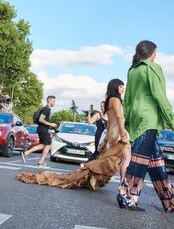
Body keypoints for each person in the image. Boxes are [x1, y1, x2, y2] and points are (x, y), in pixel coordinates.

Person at [16, 79, 131, 193]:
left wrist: (106, 139)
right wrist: (122, 133)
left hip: (113, 135)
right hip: (118, 134)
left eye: (123, 86)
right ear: (114, 87)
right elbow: (119, 118)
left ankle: (120, 185)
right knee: (124, 159)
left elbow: (110, 122)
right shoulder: (115, 100)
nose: (123, 88)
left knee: (118, 160)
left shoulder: (110, 100)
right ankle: (123, 187)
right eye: (120, 86)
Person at [119, 40, 174, 212]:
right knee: (139, 162)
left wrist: (126, 122)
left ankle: (169, 201)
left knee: (157, 164)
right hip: (148, 120)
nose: (156, 55)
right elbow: (160, 96)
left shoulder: (133, 70)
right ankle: (127, 197)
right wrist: (172, 120)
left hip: (136, 121)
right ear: (151, 53)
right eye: (155, 52)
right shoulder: (152, 68)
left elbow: (127, 99)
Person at [21, 95, 57, 166]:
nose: (54, 103)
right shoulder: (46, 109)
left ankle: (27, 153)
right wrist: (50, 124)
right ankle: (40, 161)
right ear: (49, 101)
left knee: (43, 145)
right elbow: (41, 119)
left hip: (42, 129)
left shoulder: (47, 109)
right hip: (43, 129)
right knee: (48, 145)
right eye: (53, 101)